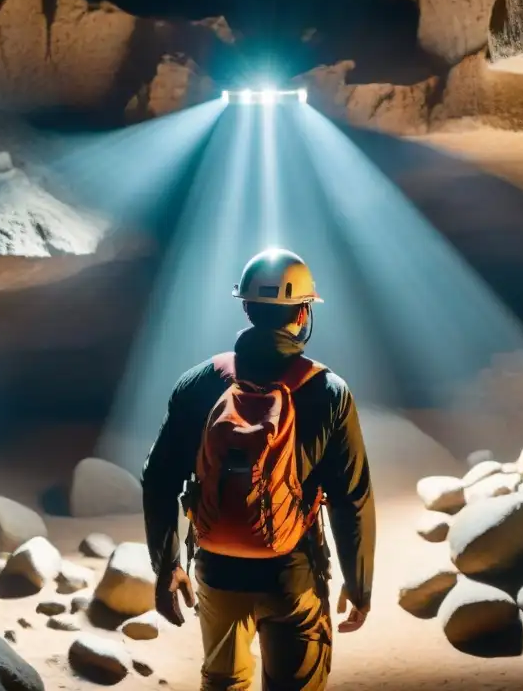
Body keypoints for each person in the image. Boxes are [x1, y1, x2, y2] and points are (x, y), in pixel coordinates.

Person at [141, 248, 376, 691]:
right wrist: (359, 584)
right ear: (305, 311)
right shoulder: (329, 392)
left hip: (217, 570)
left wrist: (167, 564)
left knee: (223, 683)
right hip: (293, 575)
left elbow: (158, 478)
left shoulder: (199, 383)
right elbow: (351, 497)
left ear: (245, 307)